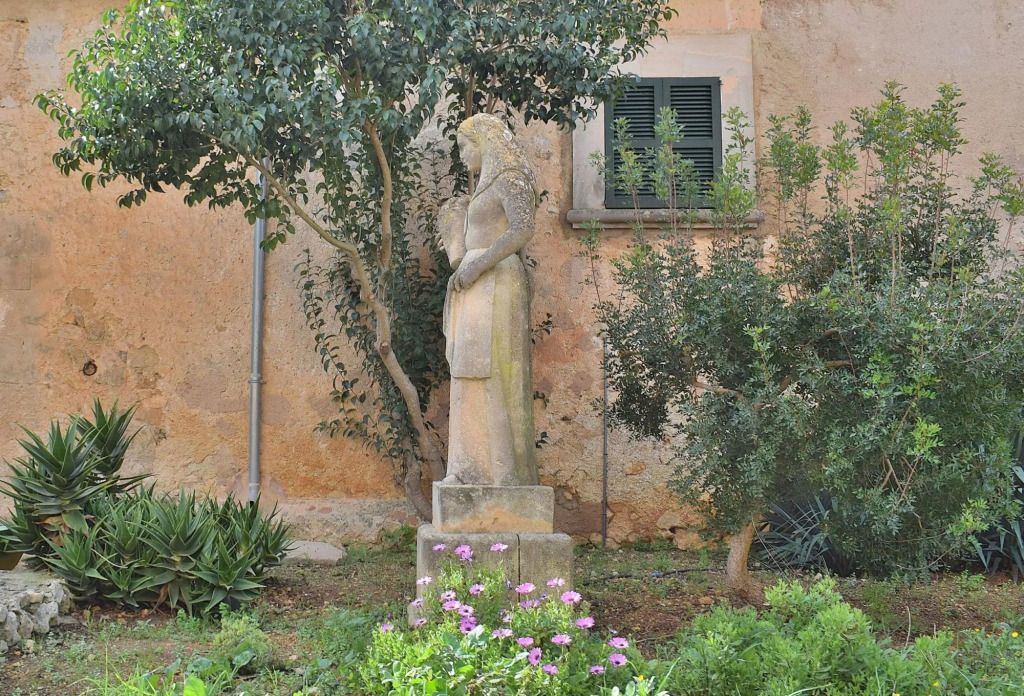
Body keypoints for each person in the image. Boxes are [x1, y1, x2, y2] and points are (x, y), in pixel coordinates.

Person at [439, 113, 539, 487]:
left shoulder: (510, 178)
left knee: (493, 374)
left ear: (483, 143)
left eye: (465, 147)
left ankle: (501, 473)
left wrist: (479, 264)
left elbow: (522, 229)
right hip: (476, 286)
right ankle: (466, 469)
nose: (462, 155)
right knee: (468, 375)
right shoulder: (484, 187)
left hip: (497, 283)